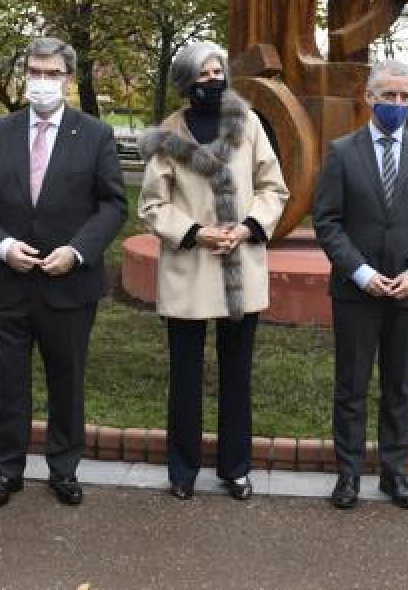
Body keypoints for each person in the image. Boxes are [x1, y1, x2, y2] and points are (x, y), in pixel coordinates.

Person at [0, 36, 127, 510]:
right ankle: (6, 471)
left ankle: (64, 469)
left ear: (69, 81)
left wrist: (77, 251)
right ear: (24, 76)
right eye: (35, 71)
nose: (42, 81)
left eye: (53, 74)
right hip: (7, 283)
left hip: (69, 284)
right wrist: (2, 245)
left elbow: (113, 205)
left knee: (67, 379)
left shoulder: (95, 135)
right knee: (6, 381)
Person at [137, 41, 289, 501]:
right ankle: (182, 471)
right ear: (187, 81)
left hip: (240, 263)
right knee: (184, 377)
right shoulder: (167, 134)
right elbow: (152, 205)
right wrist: (197, 232)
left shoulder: (250, 125)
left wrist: (246, 227)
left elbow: (273, 187)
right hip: (189, 266)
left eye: (217, 71)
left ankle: (235, 469)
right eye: (202, 74)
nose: (212, 80)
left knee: (236, 376)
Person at [313, 60, 408, 510]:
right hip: (356, 292)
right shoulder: (341, 152)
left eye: (404, 97)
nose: (397, 105)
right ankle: (348, 475)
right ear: (369, 98)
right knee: (351, 387)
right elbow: (328, 222)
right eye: (388, 96)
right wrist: (363, 274)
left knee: (400, 387)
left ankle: (395, 475)